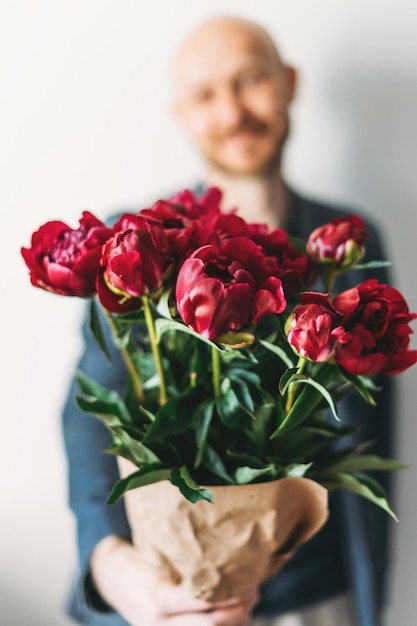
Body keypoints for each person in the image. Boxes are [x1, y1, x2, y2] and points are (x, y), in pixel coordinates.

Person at [63, 15, 393, 626]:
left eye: (250, 80)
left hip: (323, 599)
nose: (232, 110)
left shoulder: (350, 242)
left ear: (289, 82)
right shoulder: (142, 243)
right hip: (180, 599)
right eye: (205, 94)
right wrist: (113, 569)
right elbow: (88, 417)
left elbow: (369, 432)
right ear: (182, 113)